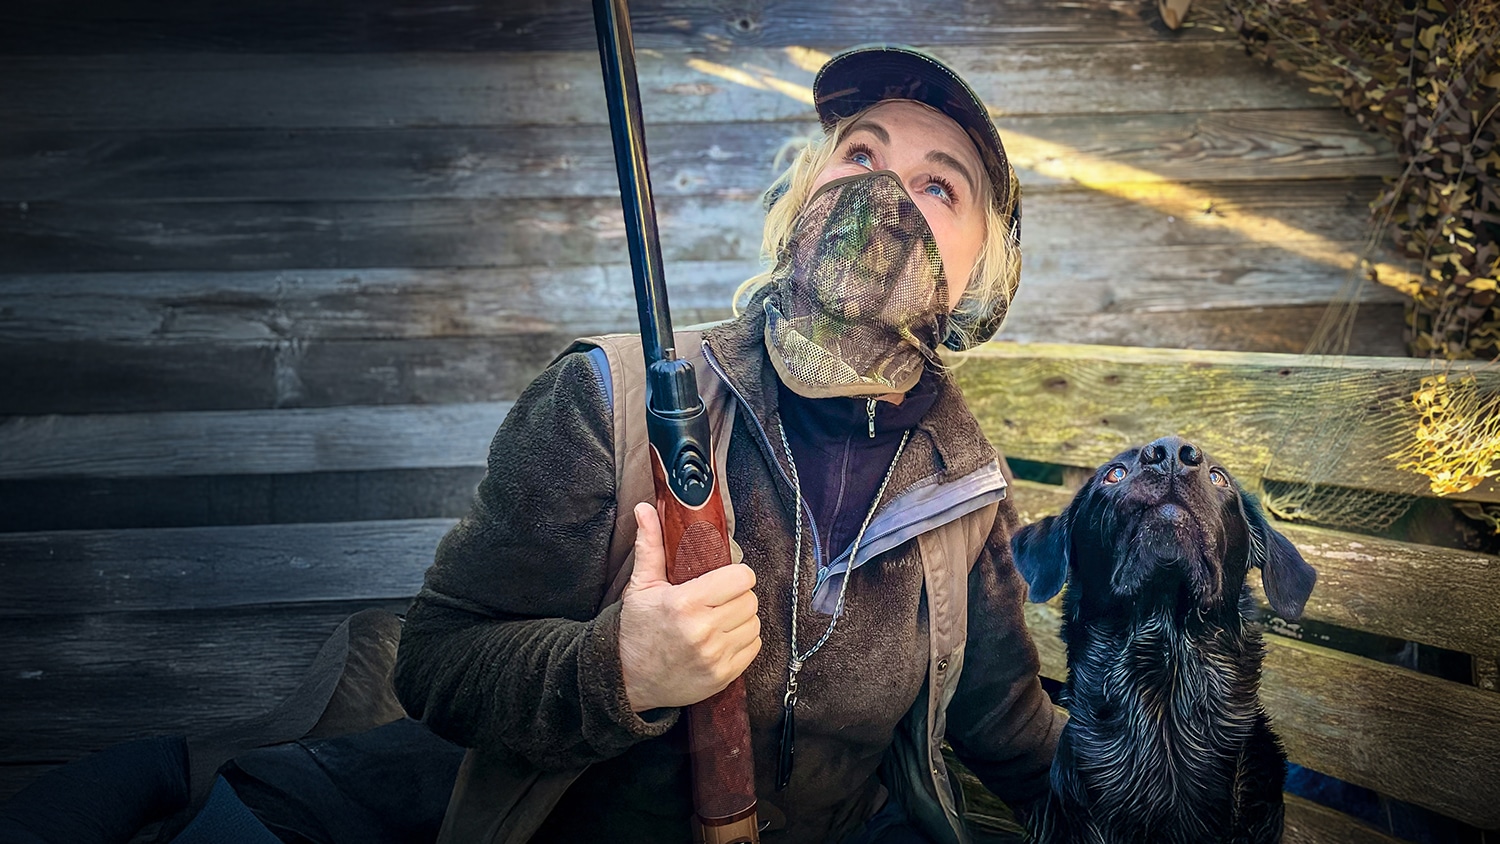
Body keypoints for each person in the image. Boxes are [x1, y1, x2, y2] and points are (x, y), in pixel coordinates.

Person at [393, 44, 1063, 844]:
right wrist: (620, 671)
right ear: (805, 192)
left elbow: (1006, 726)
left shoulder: (967, 487)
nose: (881, 193)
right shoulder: (610, 400)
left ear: (982, 277)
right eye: (860, 153)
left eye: (938, 186)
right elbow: (437, 660)